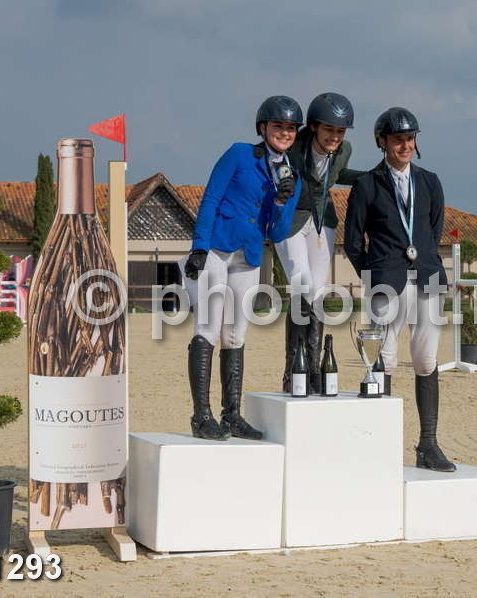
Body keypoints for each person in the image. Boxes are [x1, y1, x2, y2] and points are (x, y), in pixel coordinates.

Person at [183, 95, 303, 441]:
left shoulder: (292, 177)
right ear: (263, 127)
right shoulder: (239, 154)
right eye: (278, 125)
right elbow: (211, 197)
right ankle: (201, 416)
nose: (285, 132)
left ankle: (231, 415)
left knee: (235, 333)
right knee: (208, 326)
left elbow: (278, 233)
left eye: (291, 128)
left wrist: (280, 201)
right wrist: (199, 246)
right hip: (217, 248)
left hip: (249, 255)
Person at [343, 107, 455, 472]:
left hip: (427, 277)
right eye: (397, 140)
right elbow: (352, 242)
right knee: (384, 359)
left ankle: (429, 444)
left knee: (426, 360)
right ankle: (383, 445)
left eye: (409, 139)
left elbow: (433, 231)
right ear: (382, 142)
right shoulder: (366, 185)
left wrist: (422, 260)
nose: (405, 146)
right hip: (385, 281)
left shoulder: (430, 182)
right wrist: (374, 275)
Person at [276, 92, 364, 393]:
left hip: (322, 219)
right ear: (314, 126)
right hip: (292, 218)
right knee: (302, 285)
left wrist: (374, 176)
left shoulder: (345, 150)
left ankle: (312, 369)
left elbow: (338, 174)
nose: (335, 137)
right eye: (329, 130)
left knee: (317, 291)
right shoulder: (293, 146)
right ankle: (292, 369)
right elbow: (279, 168)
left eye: (340, 131)